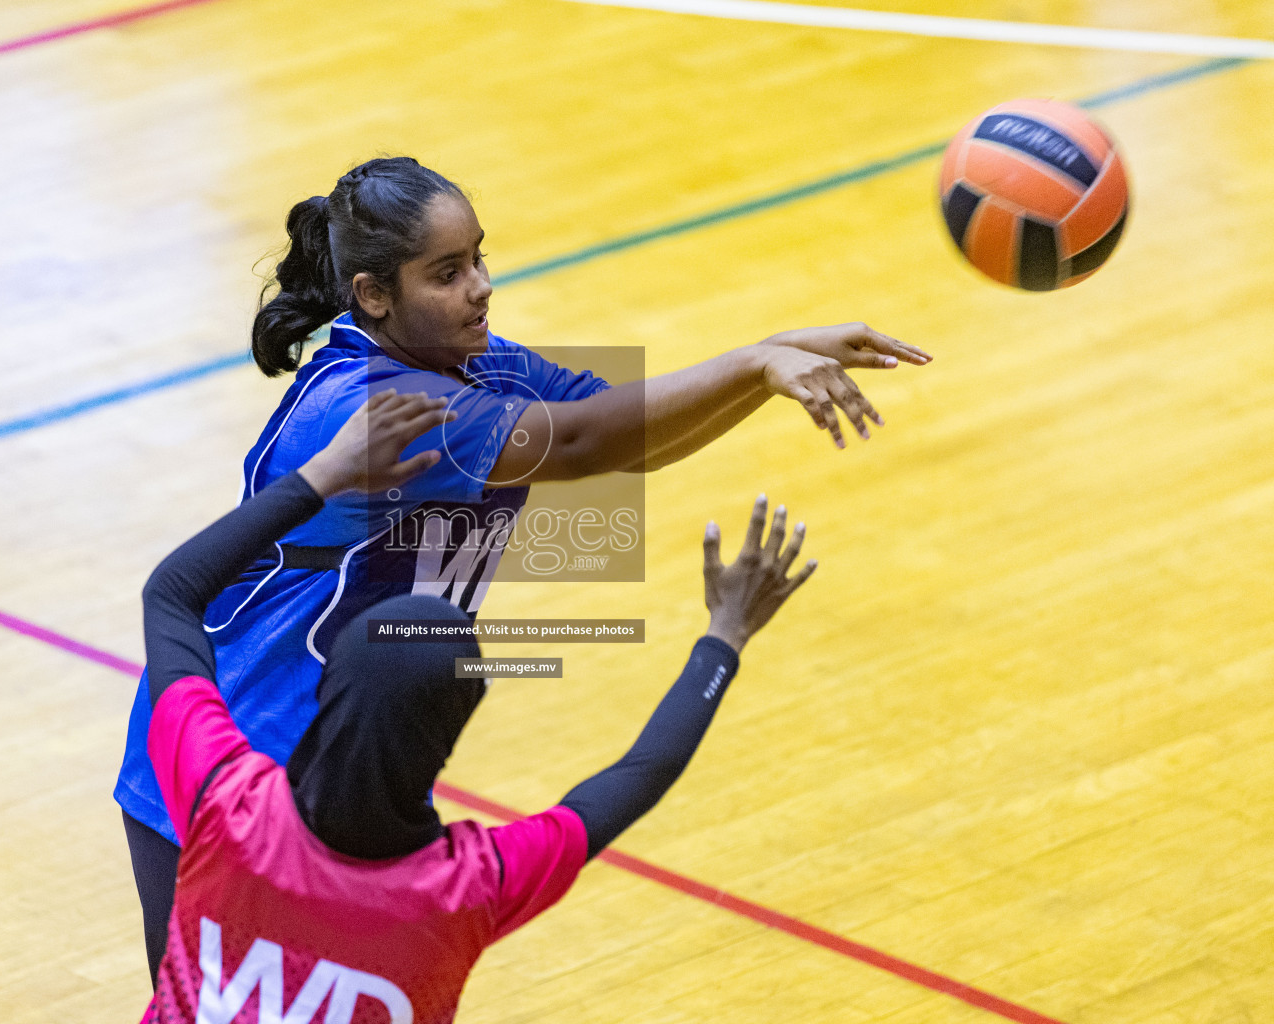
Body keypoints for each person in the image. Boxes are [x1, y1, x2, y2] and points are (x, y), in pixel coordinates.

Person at [117, 156, 928, 979]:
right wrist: (759, 363)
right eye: (447, 272)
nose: (480, 287)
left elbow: (627, 436)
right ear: (373, 294)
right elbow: (577, 442)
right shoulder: (377, 403)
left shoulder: (480, 365)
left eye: (479, 258)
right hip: (229, 756)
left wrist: (771, 361)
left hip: (357, 746)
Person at [138, 390, 817, 1023]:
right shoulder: (469, 886)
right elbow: (641, 773)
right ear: (451, 734)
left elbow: (171, 594)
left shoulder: (225, 800)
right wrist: (724, 636)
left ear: (330, 686)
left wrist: (326, 473)